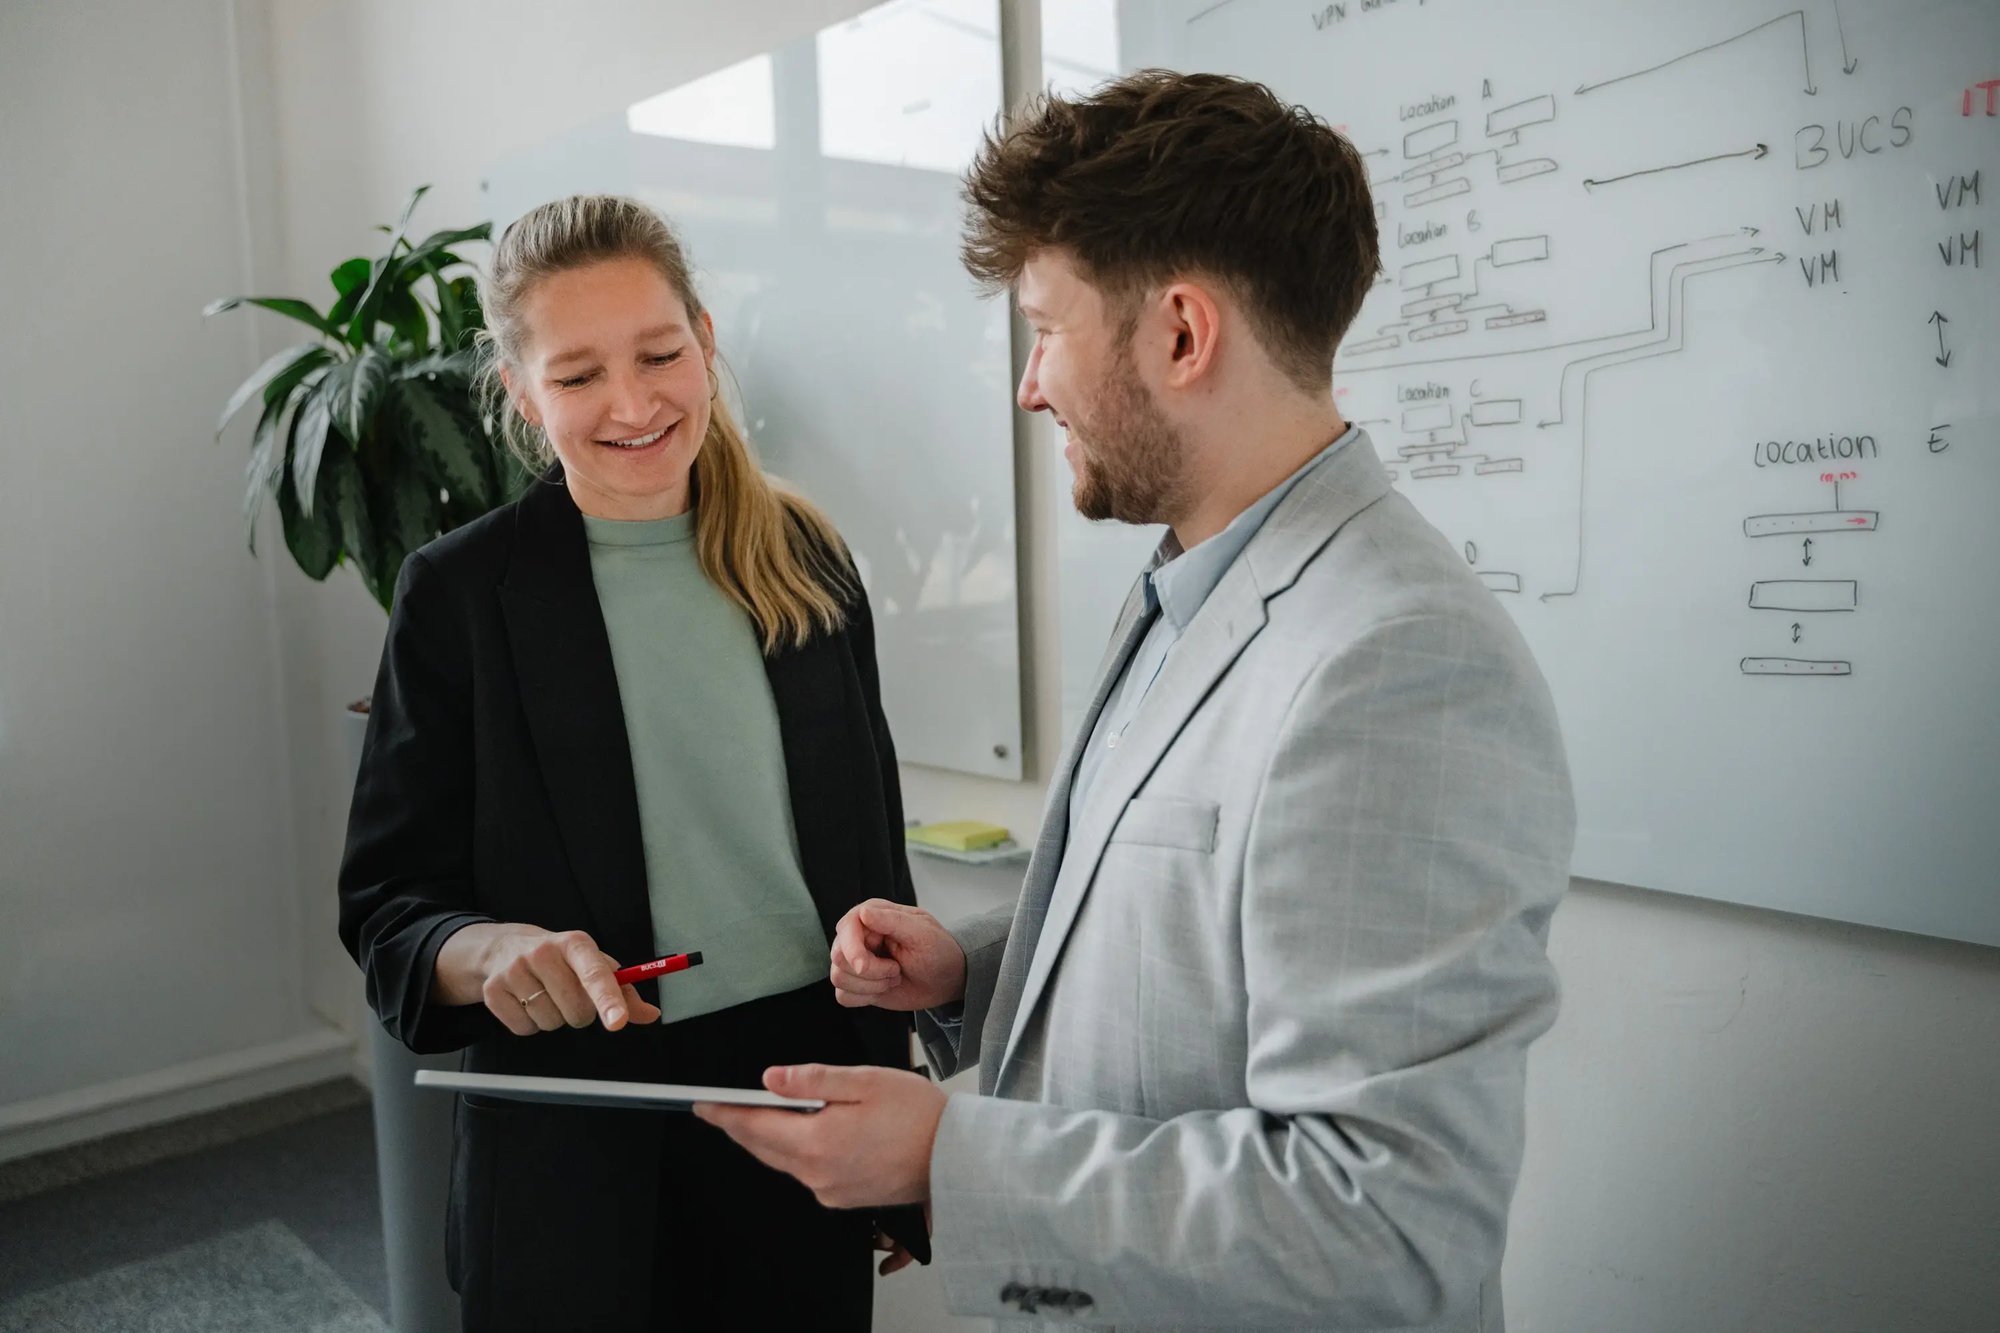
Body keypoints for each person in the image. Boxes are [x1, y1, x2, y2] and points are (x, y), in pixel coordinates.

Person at [696, 71, 1576, 1330]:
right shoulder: (1189, 581)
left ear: (1178, 334)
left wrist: (947, 1157)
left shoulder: (1398, 665)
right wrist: (972, 974)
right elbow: (1192, 929)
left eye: (1044, 329)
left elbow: (1381, 1224)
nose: (1029, 385)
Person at [338, 193, 927, 1332]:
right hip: (572, 1123)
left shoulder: (809, 558)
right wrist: (488, 951)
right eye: (577, 375)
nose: (633, 403)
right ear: (520, 393)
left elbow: (872, 858)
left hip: (798, 1091)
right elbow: (387, 906)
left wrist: (892, 1107)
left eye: (659, 354)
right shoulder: (460, 594)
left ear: (704, 341)